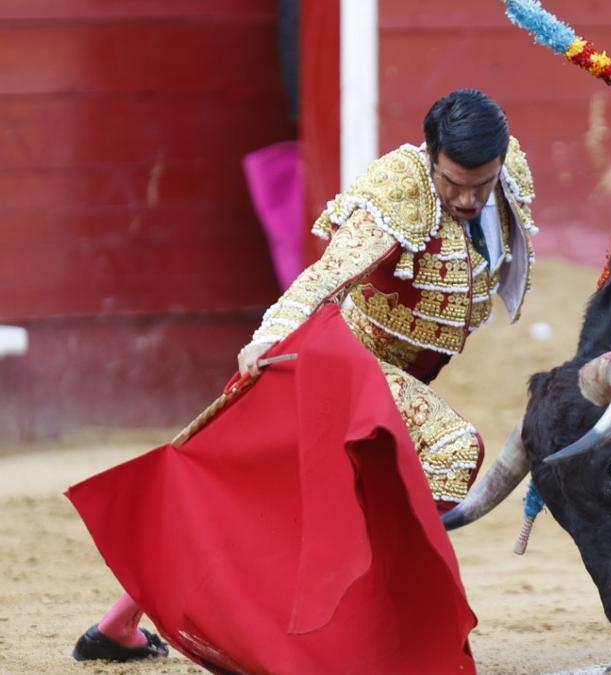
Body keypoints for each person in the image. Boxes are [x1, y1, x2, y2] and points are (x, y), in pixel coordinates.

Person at [72, 88, 537, 663]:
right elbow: (326, 276)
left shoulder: (506, 169)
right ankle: (383, 616)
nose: (467, 198)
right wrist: (270, 335)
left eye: (480, 185)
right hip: (348, 364)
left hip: (397, 371)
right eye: (453, 182)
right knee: (451, 447)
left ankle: (118, 626)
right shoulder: (400, 191)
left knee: (267, 492)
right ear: (430, 153)